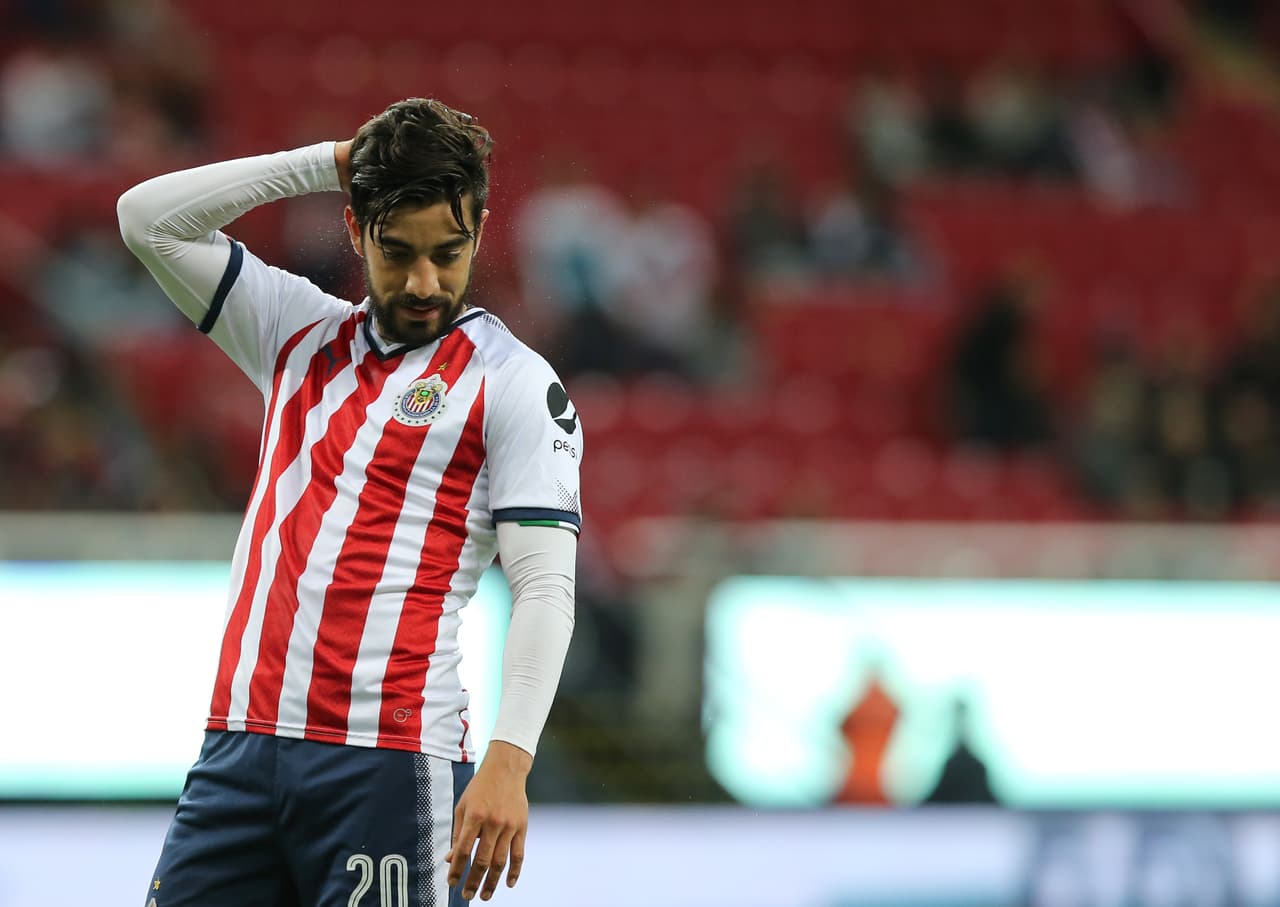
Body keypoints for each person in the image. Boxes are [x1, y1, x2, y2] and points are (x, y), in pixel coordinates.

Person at [117, 98, 582, 905]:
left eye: (448, 252)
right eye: (397, 251)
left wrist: (510, 758)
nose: (424, 282)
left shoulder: (514, 382)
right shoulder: (293, 332)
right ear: (356, 229)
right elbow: (147, 220)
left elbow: (545, 585)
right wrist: (331, 160)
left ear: (478, 233)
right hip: (238, 748)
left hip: (388, 762)